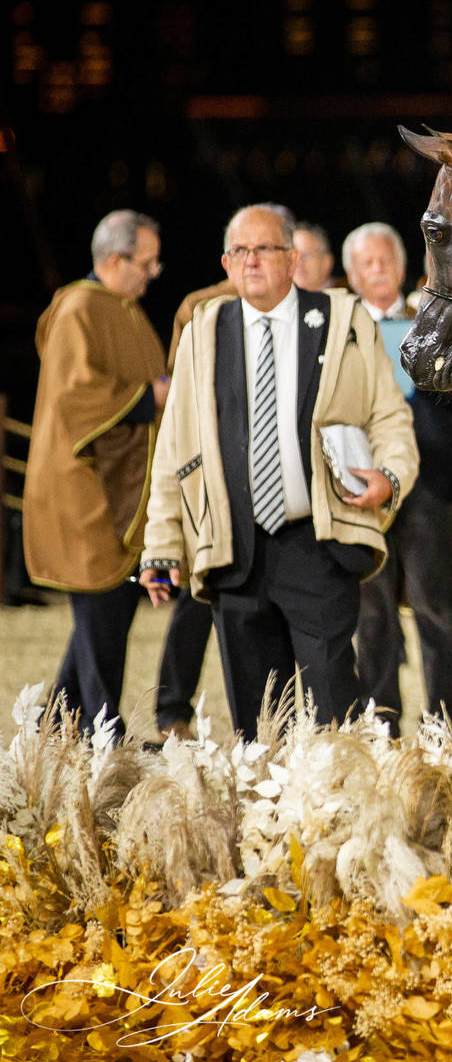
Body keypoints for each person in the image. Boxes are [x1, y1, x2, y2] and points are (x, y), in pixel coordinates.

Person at [139, 204, 418, 740]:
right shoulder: (204, 331)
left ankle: (335, 812)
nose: (250, 262)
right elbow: (174, 449)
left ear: (292, 259)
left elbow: (389, 416)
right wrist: (162, 546)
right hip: (234, 553)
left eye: (263, 249)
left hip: (316, 542)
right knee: (258, 723)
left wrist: (390, 475)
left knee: (331, 711)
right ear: (225, 262)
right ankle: (274, 821)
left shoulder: (340, 319)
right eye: (239, 251)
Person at [24, 210, 167, 738]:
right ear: (114, 259)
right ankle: (105, 729)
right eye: (146, 263)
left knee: (103, 618)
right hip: (82, 492)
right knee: (101, 615)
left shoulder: (120, 306)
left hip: (114, 493)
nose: (152, 273)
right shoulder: (81, 307)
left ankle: (53, 729)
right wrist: (149, 397)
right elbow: (76, 393)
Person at [343, 222, 452, 731]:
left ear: (402, 268)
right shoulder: (342, 328)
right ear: (354, 275)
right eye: (368, 263)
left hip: (428, 487)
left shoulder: (434, 319)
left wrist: (434, 373)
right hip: (363, 487)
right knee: (373, 615)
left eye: (386, 260)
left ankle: (441, 723)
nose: (378, 269)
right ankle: (382, 721)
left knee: (435, 612)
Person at [151, 269, 238, 743]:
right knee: (197, 595)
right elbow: (182, 393)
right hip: (214, 478)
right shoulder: (203, 306)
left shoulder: (324, 301)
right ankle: (171, 709)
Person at [292, 221, 337, 292]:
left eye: (306, 255)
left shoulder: (347, 301)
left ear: (327, 262)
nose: (298, 262)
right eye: (293, 255)